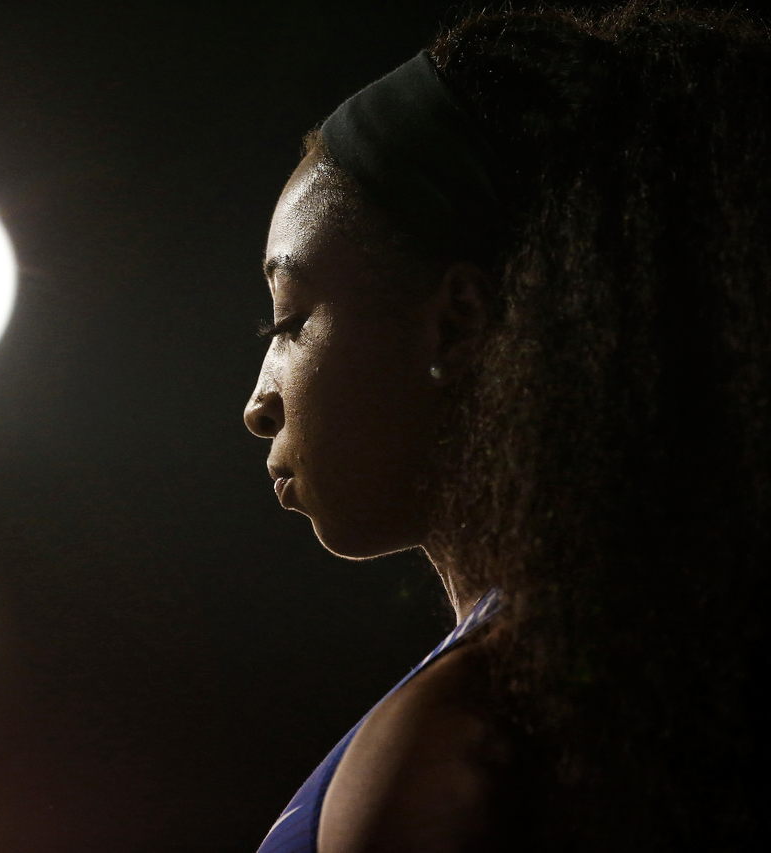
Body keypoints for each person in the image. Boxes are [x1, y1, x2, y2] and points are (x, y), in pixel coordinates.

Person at [242, 3, 771, 851]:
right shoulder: (667, 685)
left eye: (288, 321)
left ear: (456, 321)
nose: (258, 401)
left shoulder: (455, 746)